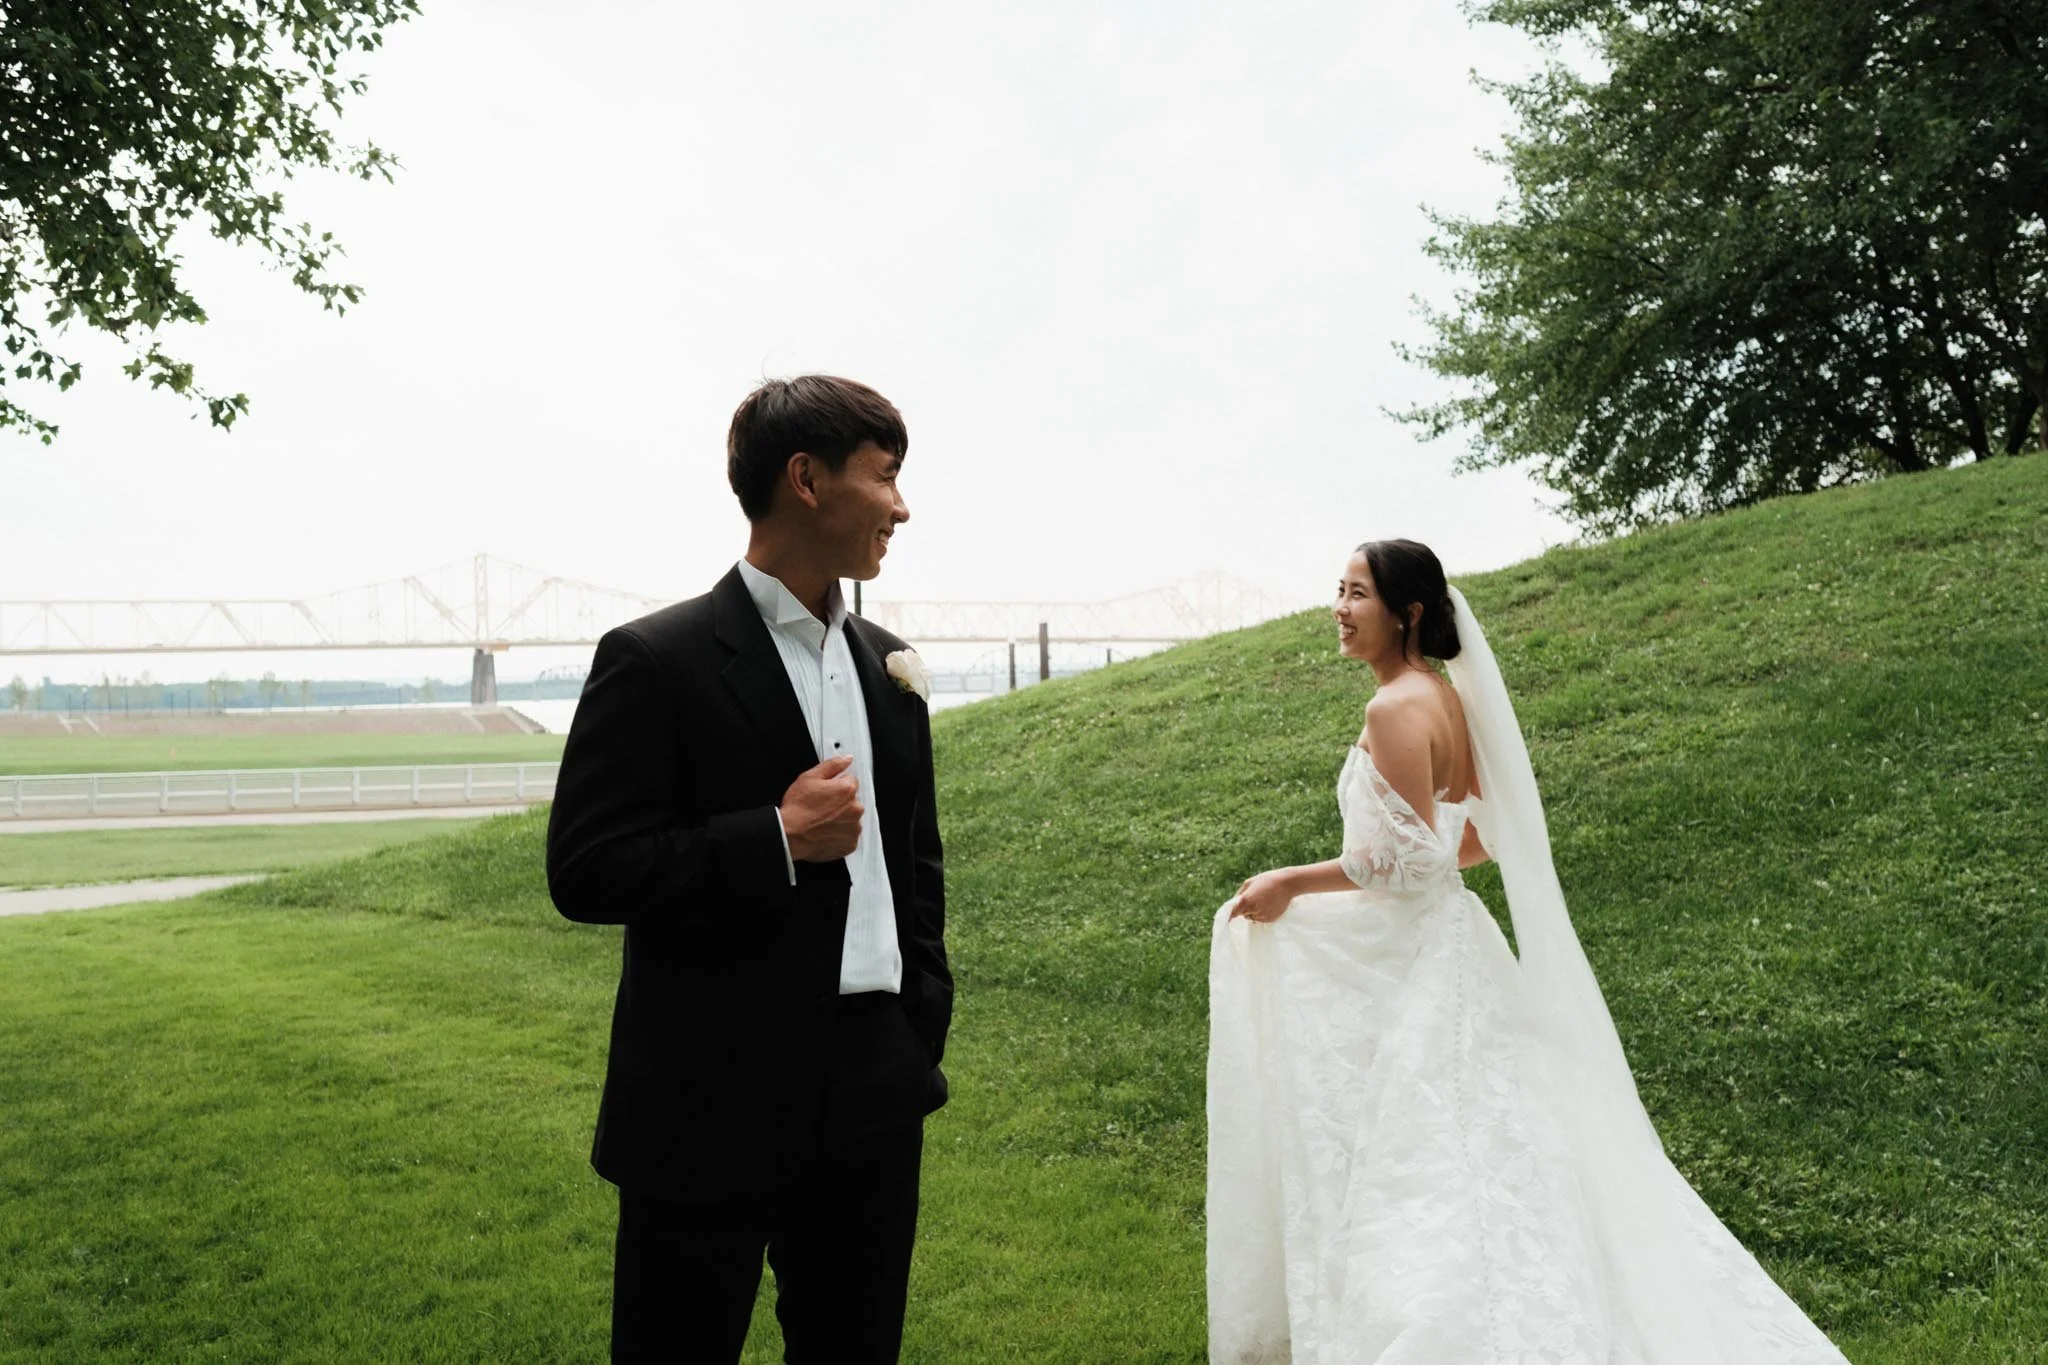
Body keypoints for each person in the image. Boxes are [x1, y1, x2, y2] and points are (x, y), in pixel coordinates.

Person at [1207, 538, 1849, 1364]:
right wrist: (1416, 872)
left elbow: (1403, 863)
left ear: (1406, 612)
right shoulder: (1441, 696)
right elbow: (1471, 837)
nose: (1339, 606)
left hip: (1415, 953)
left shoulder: (1394, 708)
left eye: (1358, 592)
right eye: (1338, 588)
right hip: (1450, 941)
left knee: (1425, 1150)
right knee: (1486, 1139)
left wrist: (1291, 882)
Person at [546, 375, 952, 1364]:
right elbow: (587, 869)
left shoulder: (890, 666)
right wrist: (772, 836)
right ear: (805, 479)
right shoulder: (654, 659)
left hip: (872, 1088)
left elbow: (916, 865)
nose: (902, 506)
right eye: (885, 477)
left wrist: (918, 1018)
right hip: (703, 1094)